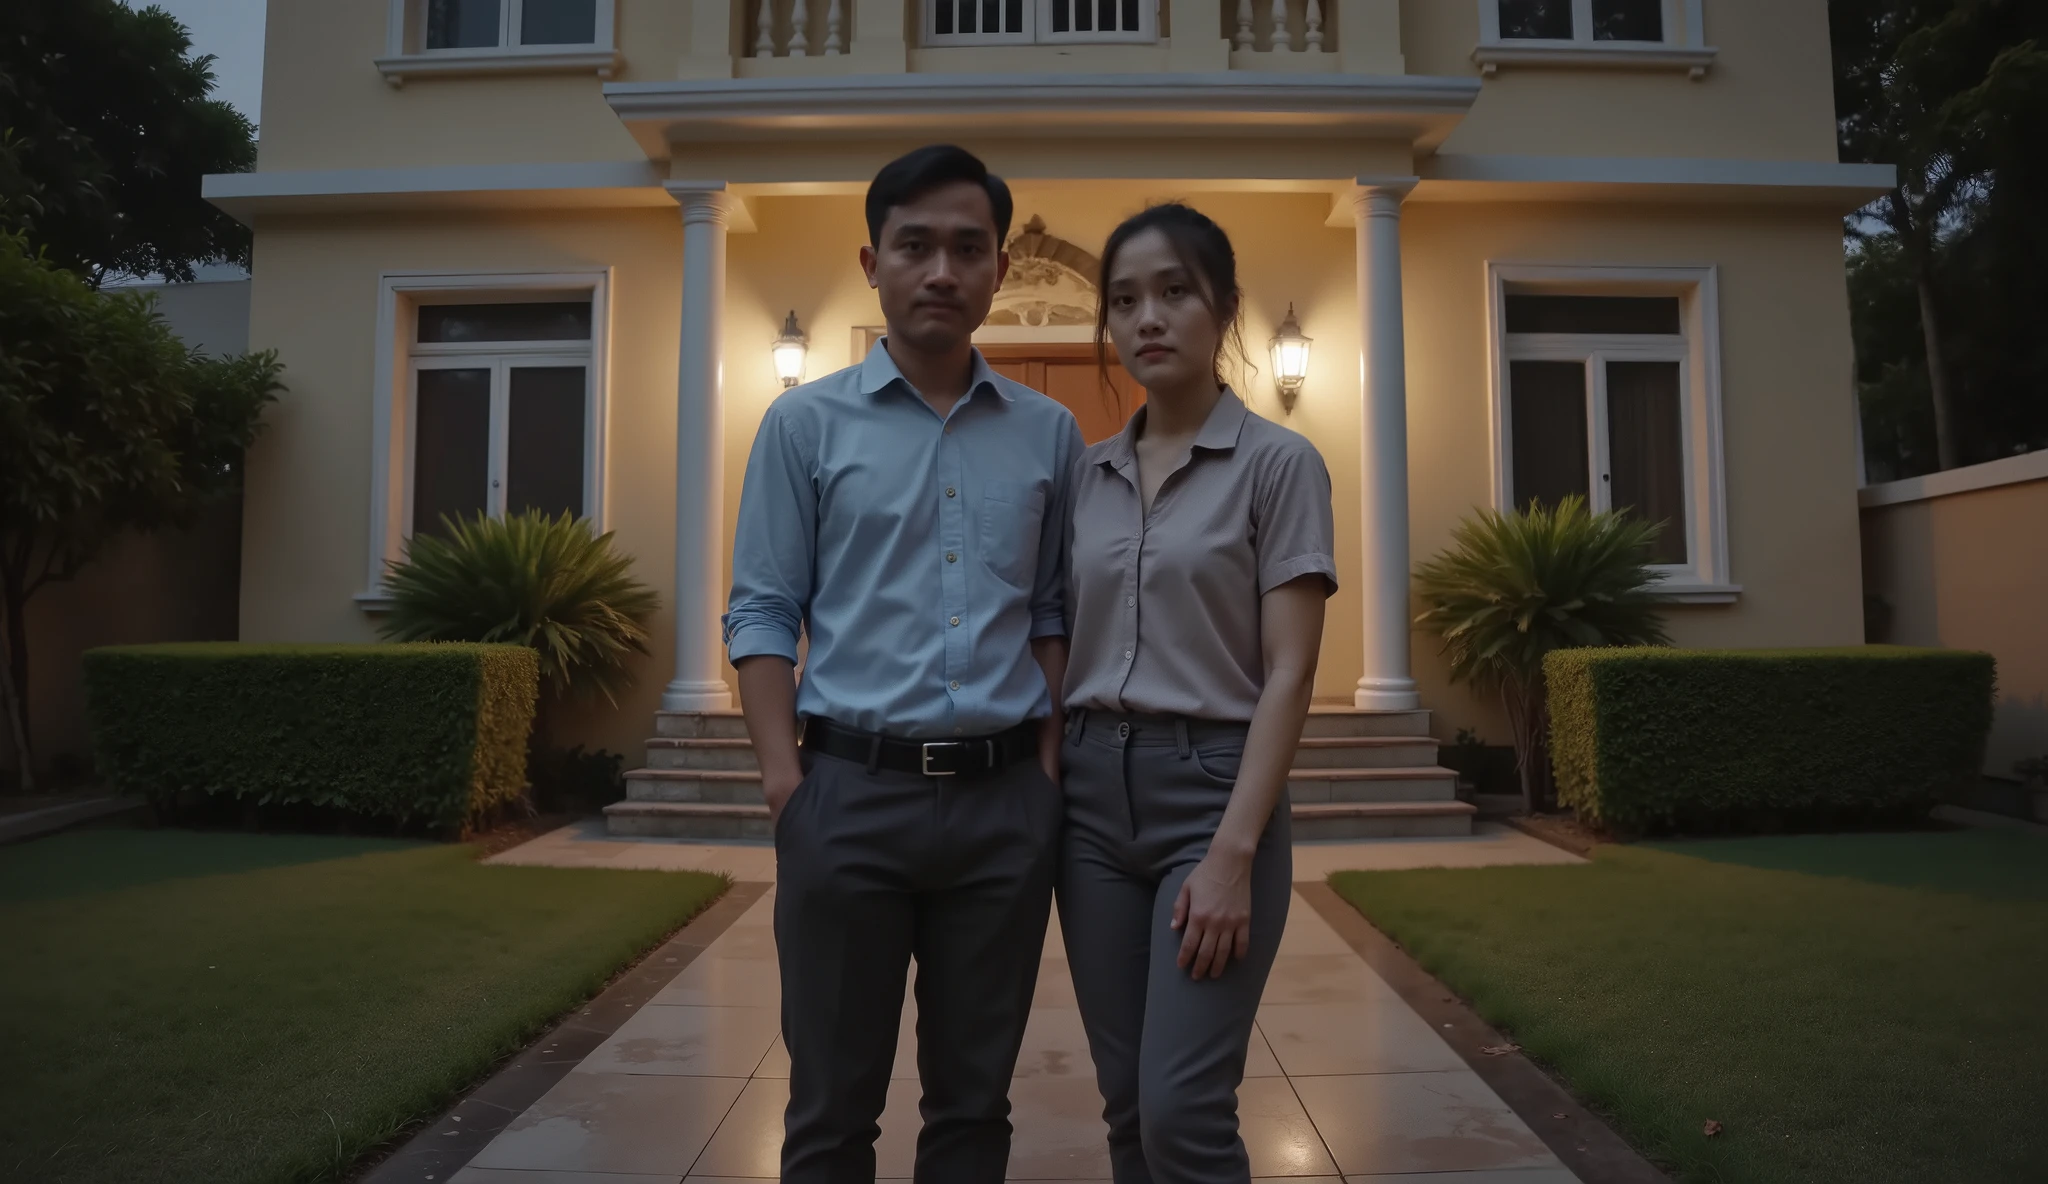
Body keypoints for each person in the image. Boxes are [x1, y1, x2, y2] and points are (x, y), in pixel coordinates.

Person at [722, 144, 1085, 1184]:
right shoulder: (802, 422)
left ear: (998, 270)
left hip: (1003, 807)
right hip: (846, 798)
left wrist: (1046, 774)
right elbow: (761, 608)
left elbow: (1054, 609)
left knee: (973, 1108)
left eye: (967, 248)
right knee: (830, 1109)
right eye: (914, 245)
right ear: (871, 259)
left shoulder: (1049, 433)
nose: (941, 270)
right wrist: (786, 786)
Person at [1058, 203, 1336, 1184]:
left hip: (1210, 797)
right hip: (1088, 802)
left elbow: (1292, 671)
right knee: (1128, 1105)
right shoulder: (1082, 477)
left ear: (1221, 307)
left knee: (1183, 1110)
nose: (1148, 318)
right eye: (1125, 299)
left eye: (1174, 292)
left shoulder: (1277, 464)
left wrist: (1230, 852)